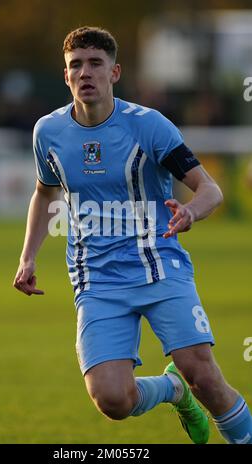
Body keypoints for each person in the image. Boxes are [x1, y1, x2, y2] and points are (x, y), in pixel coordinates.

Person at [13, 26, 252, 444]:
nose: (85, 73)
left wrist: (190, 213)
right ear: (65, 75)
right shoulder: (47, 133)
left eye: (95, 64)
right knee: (112, 400)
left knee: (203, 375)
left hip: (159, 266)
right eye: (75, 65)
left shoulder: (149, 126)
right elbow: (45, 191)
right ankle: (172, 389)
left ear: (115, 72)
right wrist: (28, 257)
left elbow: (210, 189)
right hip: (97, 280)